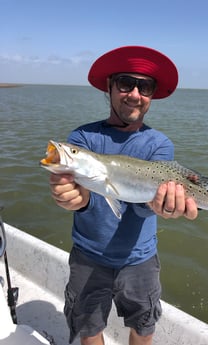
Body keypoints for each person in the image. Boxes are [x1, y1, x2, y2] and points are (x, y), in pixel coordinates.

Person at [49, 46, 198, 345]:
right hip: (88, 256)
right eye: (125, 83)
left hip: (140, 258)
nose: (134, 93)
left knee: (144, 326)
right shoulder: (83, 138)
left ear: (152, 94)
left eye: (145, 86)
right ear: (109, 86)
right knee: (88, 327)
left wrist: (160, 206)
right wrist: (74, 197)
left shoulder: (159, 144)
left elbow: (142, 206)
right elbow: (85, 194)